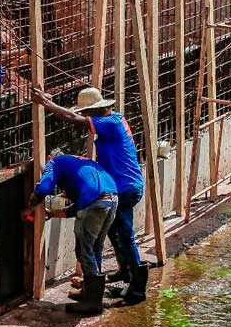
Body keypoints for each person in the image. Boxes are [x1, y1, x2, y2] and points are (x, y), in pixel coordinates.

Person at [31, 86, 149, 305]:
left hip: (123, 187)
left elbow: (74, 119)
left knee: (124, 236)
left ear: (95, 111)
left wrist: (46, 104)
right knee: (114, 233)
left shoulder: (109, 123)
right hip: (120, 186)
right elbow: (75, 116)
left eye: (87, 113)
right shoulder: (115, 118)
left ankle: (136, 289)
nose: (85, 117)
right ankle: (125, 275)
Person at [24, 151, 119, 315]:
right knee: (95, 248)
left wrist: (29, 208)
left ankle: (92, 302)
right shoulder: (79, 165)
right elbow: (78, 207)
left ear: (48, 158)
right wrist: (52, 213)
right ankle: (90, 294)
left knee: (84, 250)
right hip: (112, 199)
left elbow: (44, 187)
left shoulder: (55, 162)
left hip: (95, 202)